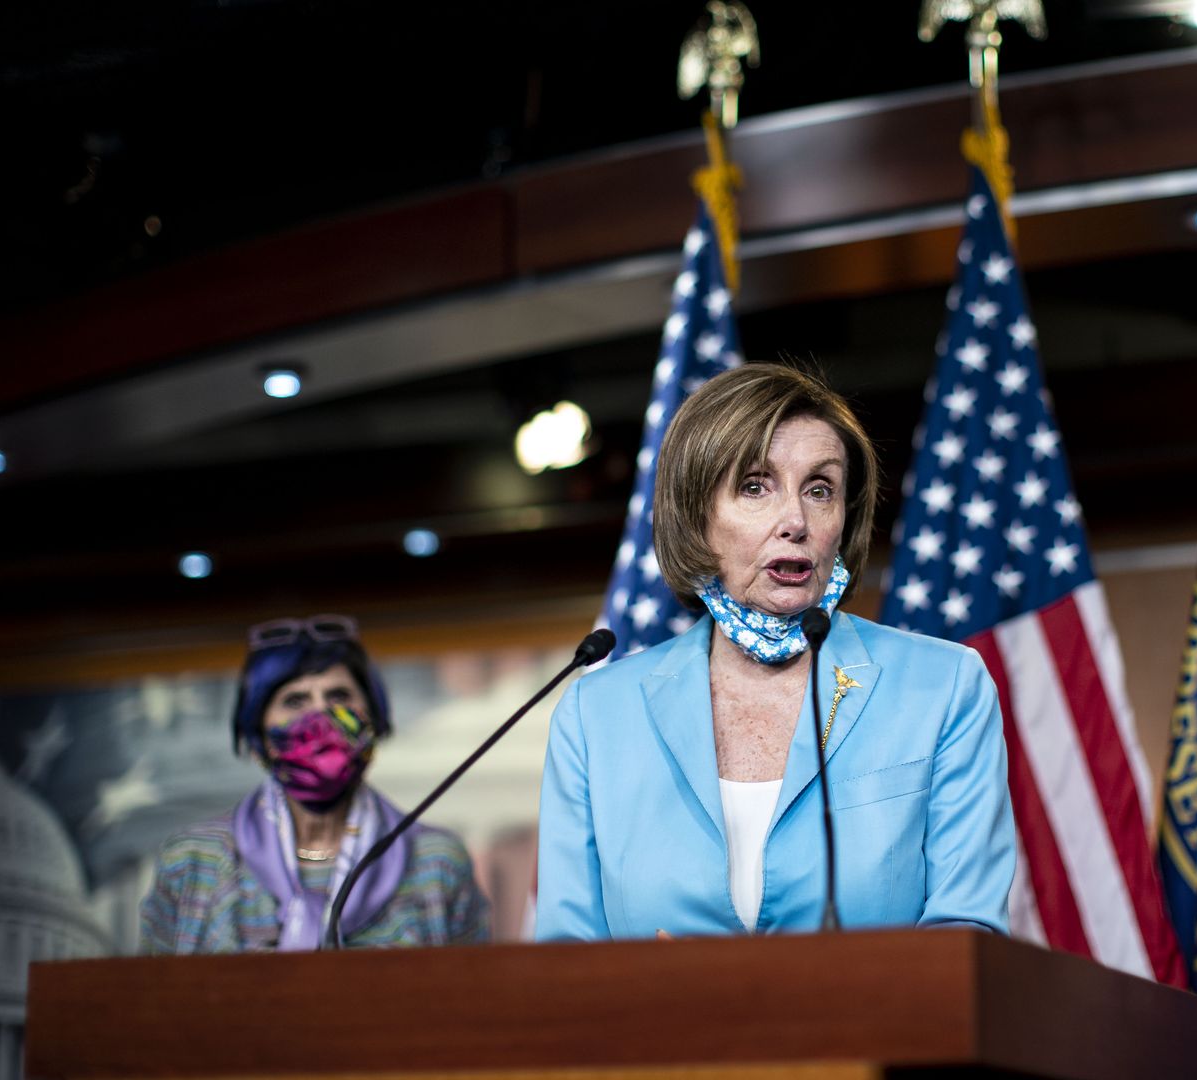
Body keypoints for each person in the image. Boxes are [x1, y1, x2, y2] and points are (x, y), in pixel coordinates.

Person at [536, 363, 1015, 940]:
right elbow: (566, 964)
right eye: (755, 486)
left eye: (820, 489)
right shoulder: (596, 716)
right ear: (697, 516)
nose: (796, 520)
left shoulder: (943, 687)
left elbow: (966, 939)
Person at [139, 615, 487, 952]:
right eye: (294, 701)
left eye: (339, 697)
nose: (320, 717)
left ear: (374, 720)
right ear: (259, 736)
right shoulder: (192, 860)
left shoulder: (438, 861)